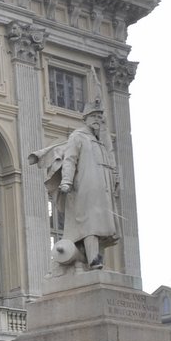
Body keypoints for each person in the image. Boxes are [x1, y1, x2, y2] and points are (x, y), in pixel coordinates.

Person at [54, 102, 119, 270]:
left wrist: (115, 179)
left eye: (99, 117)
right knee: (91, 223)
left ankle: (98, 258)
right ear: (86, 118)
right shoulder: (78, 136)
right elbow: (70, 159)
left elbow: (109, 162)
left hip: (103, 188)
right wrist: (66, 180)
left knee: (104, 226)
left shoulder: (101, 141)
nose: (98, 119)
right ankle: (93, 259)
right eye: (94, 116)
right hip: (85, 186)